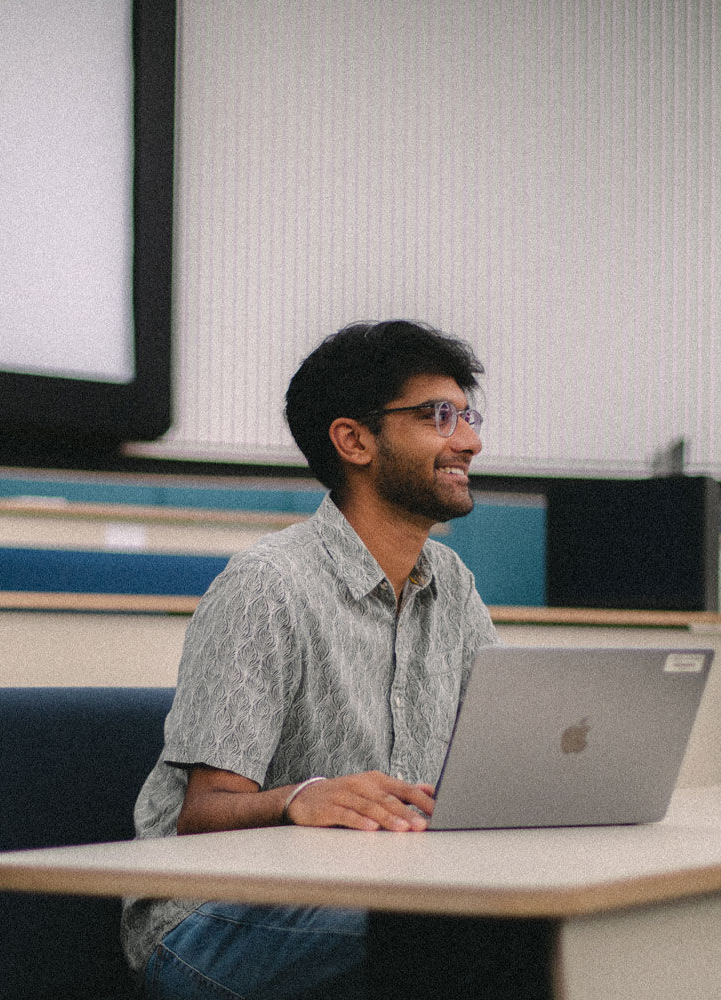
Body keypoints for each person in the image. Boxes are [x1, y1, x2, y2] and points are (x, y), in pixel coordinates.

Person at [121, 319, 501, 1000]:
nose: (469, 441)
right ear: (354, 440)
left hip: (385, 889)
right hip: (211, 915)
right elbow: (200, 815)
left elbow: (498, 763)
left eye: (468, 417)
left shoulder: (455, 585)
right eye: (438, 416)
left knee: (531, 921)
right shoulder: (267, 585)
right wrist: (300, 798)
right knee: (461, 937)